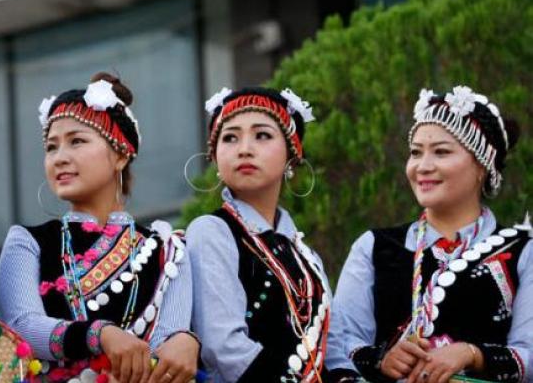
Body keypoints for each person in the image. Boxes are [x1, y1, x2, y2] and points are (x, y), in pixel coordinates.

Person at [0, 73, 199, 383]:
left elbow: (165, 343)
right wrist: (99, 335)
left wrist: (187, 340)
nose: (60, 158)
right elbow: (22, 326)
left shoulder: (168, 251)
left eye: (77, 141)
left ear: (120, 154)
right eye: (51, 148)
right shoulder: (28, 241)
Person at [326, 87, 532, 383]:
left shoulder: (522, 251)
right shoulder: (375, 247)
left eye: (441, 152)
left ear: (482, 166)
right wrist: (382, 358)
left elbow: (529, 352)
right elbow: (338, 344)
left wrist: (472, 354)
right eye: (415, 152)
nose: (423, 166)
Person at [187, 87, 330, 382]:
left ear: (292, 155)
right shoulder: (212, 232)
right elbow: (224, 349)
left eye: (262, 135)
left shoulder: (307, 256)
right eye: (230, 137)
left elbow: (334, 347)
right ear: (214, 157)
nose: (244, 149)